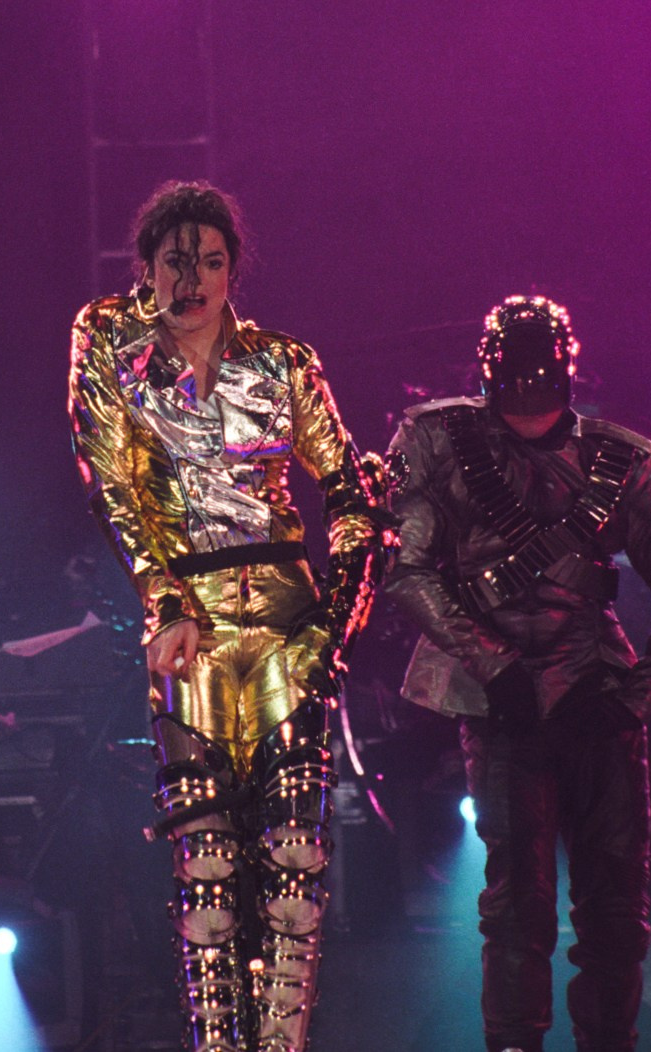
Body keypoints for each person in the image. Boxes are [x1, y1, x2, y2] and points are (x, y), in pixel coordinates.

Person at [68, 181, 386, 1052]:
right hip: (191, 625)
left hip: (288, 620)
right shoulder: (110, 341)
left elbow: (352, 491)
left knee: (295, 866)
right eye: (176, 262)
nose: (193, 281)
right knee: (206, 867)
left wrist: (335, 622)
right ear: (147, 267)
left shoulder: (284, 362)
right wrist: (164, 598)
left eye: (210, 263)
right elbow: (109, 483)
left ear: (233, 271)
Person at [382, 295, 651, 1052]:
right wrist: (493, 665)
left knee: (614, 910)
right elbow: (405, 568)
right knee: (516, 908)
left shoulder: (624, 458)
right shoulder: (438, 439)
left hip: (595, 696)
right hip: (501, 707)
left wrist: (635, 701)